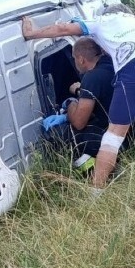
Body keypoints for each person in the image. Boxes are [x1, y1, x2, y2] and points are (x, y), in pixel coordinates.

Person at [22, 4, 135, 189]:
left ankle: (96, 189)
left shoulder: (102, 22)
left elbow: (63, 28)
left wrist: (31, 33)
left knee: (113, 134)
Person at [42, 37, 115, 172]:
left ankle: (81, 172)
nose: (75, 61)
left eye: (74, 58)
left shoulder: (92, 77)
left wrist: (70, 103)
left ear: (81, 59)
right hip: (127, 132)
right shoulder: (110, 65)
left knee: (56, 134)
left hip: (110, 139)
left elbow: (78, 122)